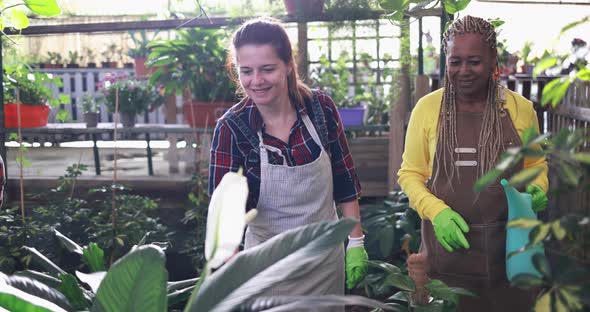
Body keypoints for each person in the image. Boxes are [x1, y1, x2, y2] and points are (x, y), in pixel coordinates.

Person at [208, 17, 368, 304]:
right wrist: (235, 280)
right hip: (266, 274)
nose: (256, 81)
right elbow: (225, 219)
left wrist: (355, 242)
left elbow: (344, 181)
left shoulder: (320, 109)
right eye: (247, 71)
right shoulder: (231, 129)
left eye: (267, 69)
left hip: (325, 267)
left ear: (288, 65)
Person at [398, 15, 549, 311]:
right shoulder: (427, 110)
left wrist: (538, 188)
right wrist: (436, 212)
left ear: (494, 60)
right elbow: (410, 174)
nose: (463, 71)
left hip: (512, 259)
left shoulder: (521, 110)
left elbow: (535, 164)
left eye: (474, 61)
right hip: (446, 264)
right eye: (455, 61)